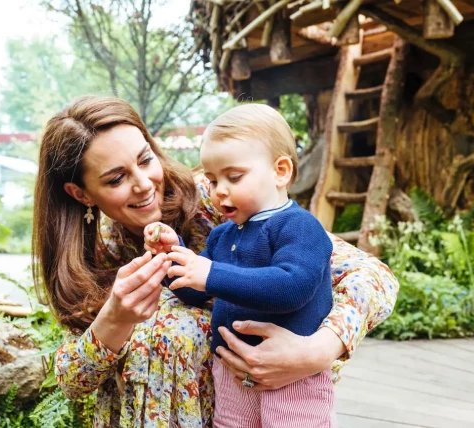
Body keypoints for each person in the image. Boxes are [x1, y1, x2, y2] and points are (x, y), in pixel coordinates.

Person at [33, 95, 399, 427]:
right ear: (81, 194)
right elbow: (72, 380)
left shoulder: (223, 201)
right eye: (116, 179)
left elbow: (372, 276)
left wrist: (318, 351)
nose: (144, 183)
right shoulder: (94, 257)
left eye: (146, 159)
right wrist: (116, 317)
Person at [144, 104, 336, 426]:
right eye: (213, 179)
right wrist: (171, 256)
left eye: (234, 176)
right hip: (231, 370)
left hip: (292, 377)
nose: (220, 190)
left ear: (281, 171)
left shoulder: (300, 227)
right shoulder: (222, 236)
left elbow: (292, 287)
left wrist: (212, 274)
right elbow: (194, 290)